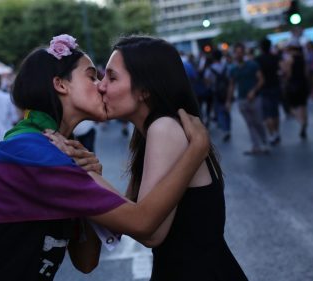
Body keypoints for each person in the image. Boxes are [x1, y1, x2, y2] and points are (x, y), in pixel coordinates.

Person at [0, 34, 210, 281]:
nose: (100, 86)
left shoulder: (51, 150)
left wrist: (91, 181)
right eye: (92, 75)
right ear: (60, 84)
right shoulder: (34, 153)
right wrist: (196, 150)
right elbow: (143, 224)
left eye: (106, 77)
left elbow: (86, 261)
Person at [92, 36, 248, 281]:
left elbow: (150, 231)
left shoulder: (164, 128)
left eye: (111, 78)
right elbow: (132, 211)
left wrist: (82, 176)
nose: (101, 86)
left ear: (144, 90)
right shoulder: (152, 131)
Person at [229, 43, 269, 155]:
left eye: (240, 52)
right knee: (250, 123)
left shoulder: (252, 65)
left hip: (254, 98)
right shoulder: (233, 68)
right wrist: (229, 100)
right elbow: (232, 84)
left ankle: (265, 141)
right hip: (241, 99)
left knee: (258, 121)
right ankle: (256, 145)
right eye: (236, 52)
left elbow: (261, 79)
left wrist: (253, 91)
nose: (238, 54)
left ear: (243, 52)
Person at [255, 38, 282, 145]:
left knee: (267, 114)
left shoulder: (258, 59)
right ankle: (277, 132)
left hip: (264, 88)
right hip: (275, 86)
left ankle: (272, 135)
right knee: (275, 111)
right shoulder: (275, 57)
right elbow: (282, 70)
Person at [281, 43, 310, 139]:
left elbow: (288, 74)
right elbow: (306, 73)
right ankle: (304, 122)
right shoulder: (303, 59)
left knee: (292, 107)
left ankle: (301, 121)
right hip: (303, 84)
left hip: (293, 85)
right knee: (303, 105)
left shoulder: (290, 60)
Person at [204, 50, 232, 142]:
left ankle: (224, 130)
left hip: (216, 92)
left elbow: (207, 80)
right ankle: (228, 129)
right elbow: (230, 79)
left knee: (219, 111)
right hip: (226, 91)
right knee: (227, 110)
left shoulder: (210, 69)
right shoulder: (225, 67)